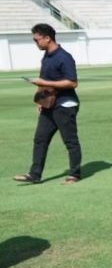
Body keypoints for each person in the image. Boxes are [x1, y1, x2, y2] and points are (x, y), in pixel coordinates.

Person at [14, 23, 82, 184]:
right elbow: (43, 79)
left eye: (36, 40)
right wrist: (40, 99)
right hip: (49, 105)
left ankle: (75, 174)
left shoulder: (64, 57)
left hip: (65, 105)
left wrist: (44, 82)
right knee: (40, 139)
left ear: (47, 38)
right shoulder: (46, 56)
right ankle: (35, 175)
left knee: (70, 141)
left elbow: (72, 83)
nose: (35, 43)